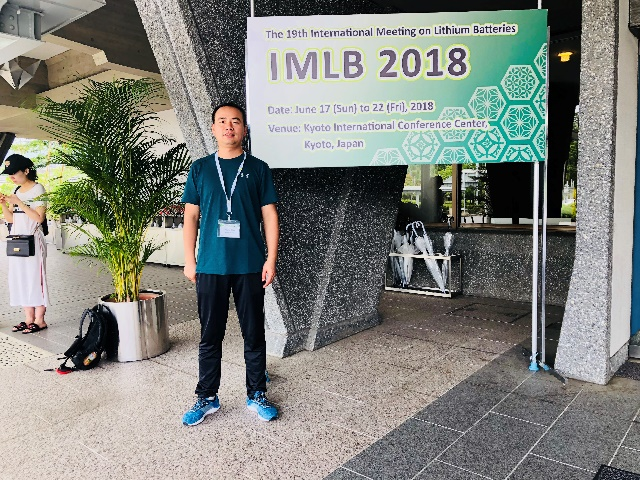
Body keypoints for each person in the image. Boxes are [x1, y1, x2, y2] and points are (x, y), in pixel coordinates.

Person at [181, 102, 280, 426]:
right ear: (213, 129)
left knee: (254, 334)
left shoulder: (258, 168)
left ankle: (257, 394)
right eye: (222, 121)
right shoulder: (200, 169)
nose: (229, 126)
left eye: (235, 121)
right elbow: (190, 217)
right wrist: (189, 261)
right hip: (210, 266)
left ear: (244, 130)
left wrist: (271, 259)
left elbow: (269, 214)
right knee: (210, 336)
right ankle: (207, 397)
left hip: (250, 264)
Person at [0, 154, 49, 334]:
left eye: (14, 172)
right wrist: (3, 204)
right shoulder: (16, 191)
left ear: (26, 171)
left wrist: (19, 202)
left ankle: (40, 320)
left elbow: (39, 218)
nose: (11, 176)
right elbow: (11, 219)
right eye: (9, 173)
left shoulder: (38, 189)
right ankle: (28, 318)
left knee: (35, 278)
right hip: (17, 240)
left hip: (33, 239)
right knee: (20, 278)